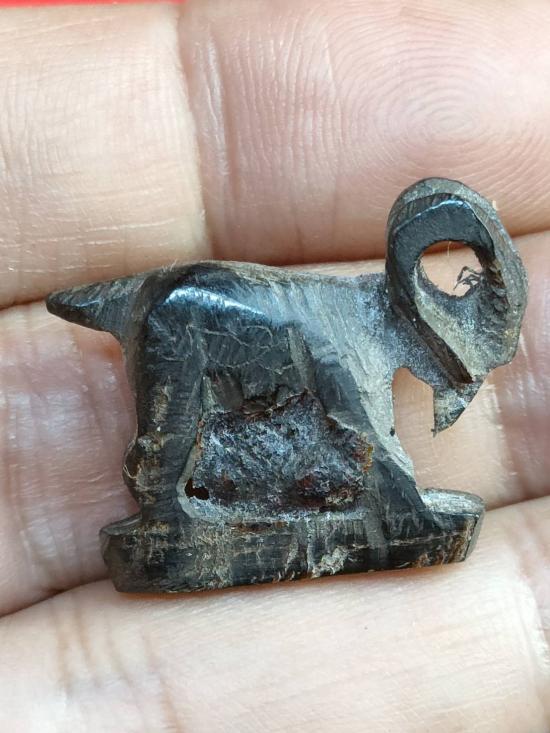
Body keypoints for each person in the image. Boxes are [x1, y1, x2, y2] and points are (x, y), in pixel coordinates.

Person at [0, 2, 548, 730]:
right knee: (172, 432)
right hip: (186, 312)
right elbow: (372, 446)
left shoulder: (355, 326)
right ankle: (167, 510)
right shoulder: (346, 343)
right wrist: (413, 514)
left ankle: (178, 506)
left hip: (193, 304)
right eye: (458, 371)